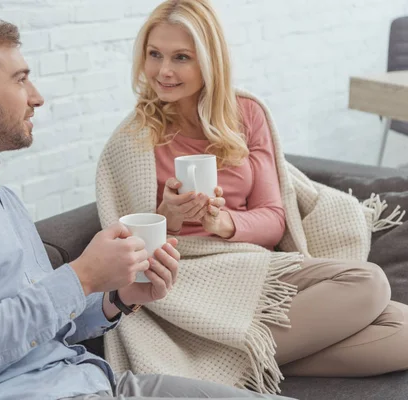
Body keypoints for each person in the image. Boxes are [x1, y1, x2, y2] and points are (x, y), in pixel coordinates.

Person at [0, 13, 295, 400]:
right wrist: (81, 275)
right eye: (20, 78)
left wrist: (118, 297)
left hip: (87, 381)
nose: (37, 96)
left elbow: (42, 326)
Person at [99, 0, 408, 381]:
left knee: (404, 329)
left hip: (255, 267)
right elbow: (128, 254)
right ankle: (242, 356)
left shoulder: (246, 114)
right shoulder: (133, 140)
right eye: (154, 55)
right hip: (189, 281)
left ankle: (222, 360)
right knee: (368, 282)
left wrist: (221, 221)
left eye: (181, 57)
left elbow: (274, 220)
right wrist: (170, 218)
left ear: (210, 60)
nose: (163, 71)